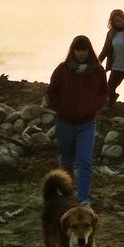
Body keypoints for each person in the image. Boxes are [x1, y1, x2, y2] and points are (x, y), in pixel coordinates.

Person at [45, 35, 108, 205]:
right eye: (78, 50)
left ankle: (82, 198)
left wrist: (96, 105)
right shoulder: (63, 69)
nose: (81, 53)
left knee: (85, 161)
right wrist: (59, 107)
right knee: (66, 161)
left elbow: (104, 92)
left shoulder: (97, 70)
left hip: (87, 123)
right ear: (73, 51)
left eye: (84, 50)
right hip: (65, 123)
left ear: (89, 51)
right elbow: (51, 92)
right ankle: (67, 195)